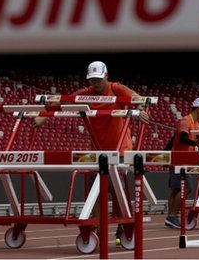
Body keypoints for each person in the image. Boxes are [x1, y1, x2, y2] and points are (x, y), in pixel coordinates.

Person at [32, 61, 149, 244]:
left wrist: (141, 109)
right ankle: (99, 231)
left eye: (98, 79)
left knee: (114, 191)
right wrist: (42, 117)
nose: (96, 83)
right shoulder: (86, 94)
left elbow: (136, 97)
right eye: (92, 80)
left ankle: (122, 225)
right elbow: (63, 101)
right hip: (98, 152)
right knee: (98, 193)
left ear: (106, 76)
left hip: (120, 150)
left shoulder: (116, 89)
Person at [165, 98, 199, 229]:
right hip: (179, 160)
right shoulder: (186, 121)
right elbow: (183, 138)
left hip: (184, 161)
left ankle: (170, 217)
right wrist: (196, 143)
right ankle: (173, 216)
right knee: (186, 188)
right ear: (198, 109)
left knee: (176, 190)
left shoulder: (196, 125)